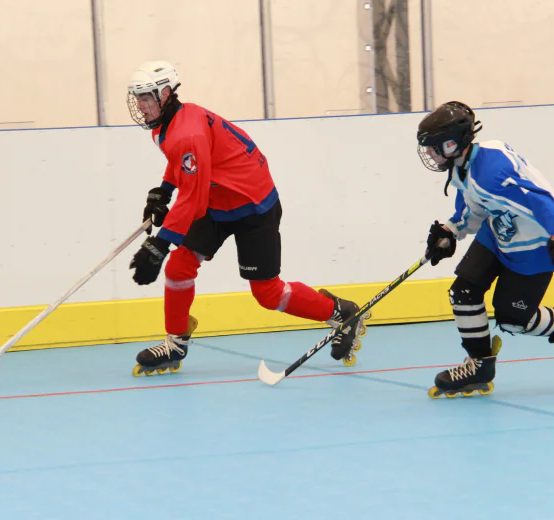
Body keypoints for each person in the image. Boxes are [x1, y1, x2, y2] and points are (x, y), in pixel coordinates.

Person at [125, 60, 370, 376]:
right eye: (137, 98)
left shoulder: (188, 132)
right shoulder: (165, 125)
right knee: (178, 267)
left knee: (268, 294)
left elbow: (193, 198)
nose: (140, 106)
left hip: (253, 205)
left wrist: (159, 245)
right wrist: (164, 190)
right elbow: (183, 164)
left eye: (146, 97)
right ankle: (175, 343)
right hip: (217, 201)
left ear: (166, 94)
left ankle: (342, 313)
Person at [415, 101, 554, 398]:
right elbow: (474, 205)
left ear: (453, 143)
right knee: (463, 292)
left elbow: (539, 197)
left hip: (532, 248)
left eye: (433, 147)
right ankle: (479, 365)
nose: (429, 154)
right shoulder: (465, 166)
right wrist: (451, 230)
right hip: (498, 234)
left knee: (513, 320)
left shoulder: (494, 171)